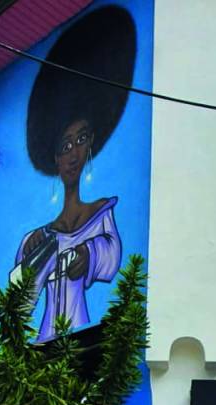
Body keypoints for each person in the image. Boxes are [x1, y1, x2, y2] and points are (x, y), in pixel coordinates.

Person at [12, 6, 136, 342]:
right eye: (65, 145)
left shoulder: (101, 216)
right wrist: (30, 254)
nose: (73, 153)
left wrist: (88, 255)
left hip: (84, 336)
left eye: (80, 140)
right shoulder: (38, 237)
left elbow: (111, 259)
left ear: (91, 143)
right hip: (44, 341)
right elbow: (20, 298)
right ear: (53, 156)